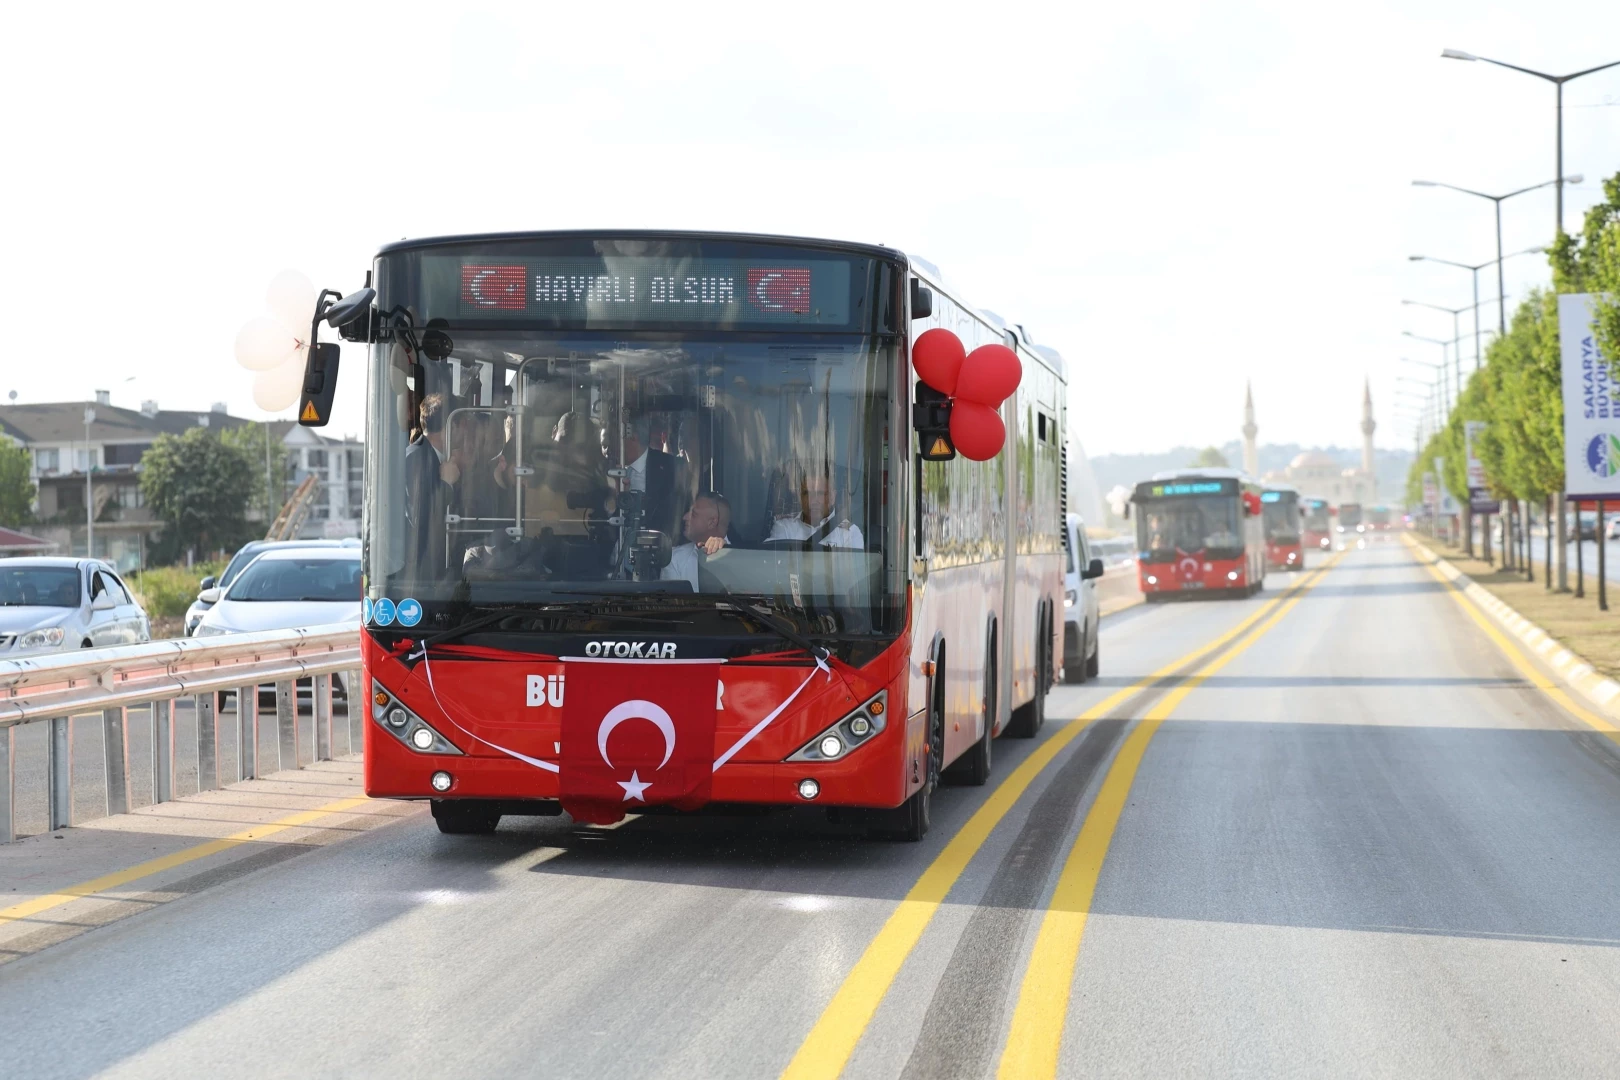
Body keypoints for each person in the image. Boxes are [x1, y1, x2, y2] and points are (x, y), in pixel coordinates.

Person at [404, 393, 461, 580]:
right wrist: (446, 485)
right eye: (462, 426)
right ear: (451, 426)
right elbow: (420, 516)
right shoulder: (415, 458)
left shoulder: (435, 457)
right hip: (421, 572)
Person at [610, 413, 681, 538]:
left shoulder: (672, 468)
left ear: (632, 437)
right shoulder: (608, 471)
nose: (611, 445)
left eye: (614, 437)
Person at [768, 469, 863, 550]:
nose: (812, 500)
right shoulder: (784, 527)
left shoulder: (850, 533)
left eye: (820, 493)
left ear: (832, 497)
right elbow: (774, 564)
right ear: (800, 497)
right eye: (807, 493)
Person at [661, 492, 731, 590]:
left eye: (693, 514)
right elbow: (673, 603)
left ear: (711, 522)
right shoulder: (674, 559)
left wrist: (724, 551)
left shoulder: (743, 559)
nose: (685, 517)